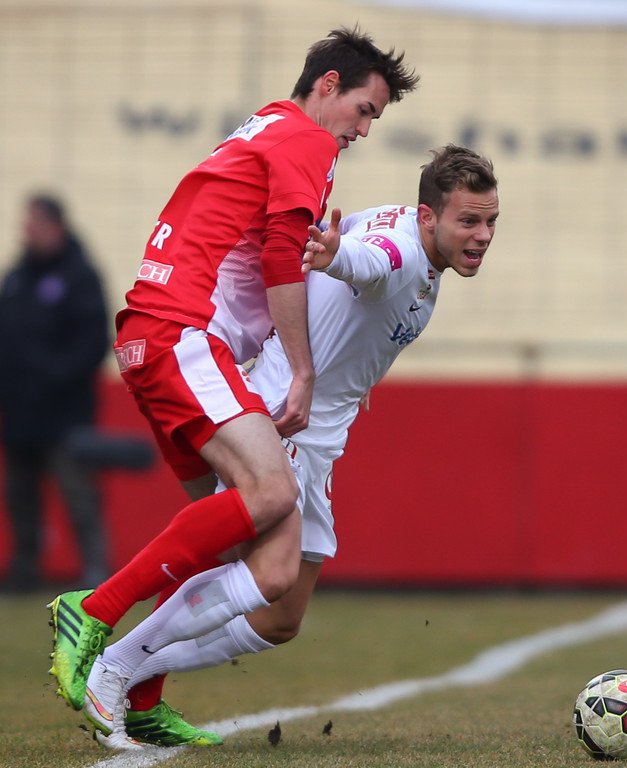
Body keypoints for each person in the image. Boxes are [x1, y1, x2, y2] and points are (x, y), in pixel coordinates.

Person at [47, 26, 418, 719]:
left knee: (235, 538)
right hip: (184, 335)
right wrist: (302, 372)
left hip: (150, 336)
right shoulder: (306, 139)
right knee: (272, 492)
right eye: (364, 110)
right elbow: (279, 256)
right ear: (329, 85)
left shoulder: (269, 126)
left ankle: (140, 692)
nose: (364, 130)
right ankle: (91, 610)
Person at [79, 144, 500, 749]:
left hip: (320, 434)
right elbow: (370, 262)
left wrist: (351, 366)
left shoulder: (408, 230)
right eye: (470, 221)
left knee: (280, 618)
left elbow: (357, 266)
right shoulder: (405, 251)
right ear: (429, 216)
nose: (482, 235)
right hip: (286, 417)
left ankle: (133, 678)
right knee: (265, 571)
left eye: (490, 221)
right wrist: (336, 257)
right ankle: (116, 665)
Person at [0, 194, 109, 591]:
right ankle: (25, 570)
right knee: (20, 497)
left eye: (34, 223)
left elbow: (93, 342)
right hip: (20, 413)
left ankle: (95, 571)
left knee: (78, 494)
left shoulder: (79, 276)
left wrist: (53, 376)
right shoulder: (16, 278)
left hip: (65, 413)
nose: (27, 231)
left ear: (55, 226)